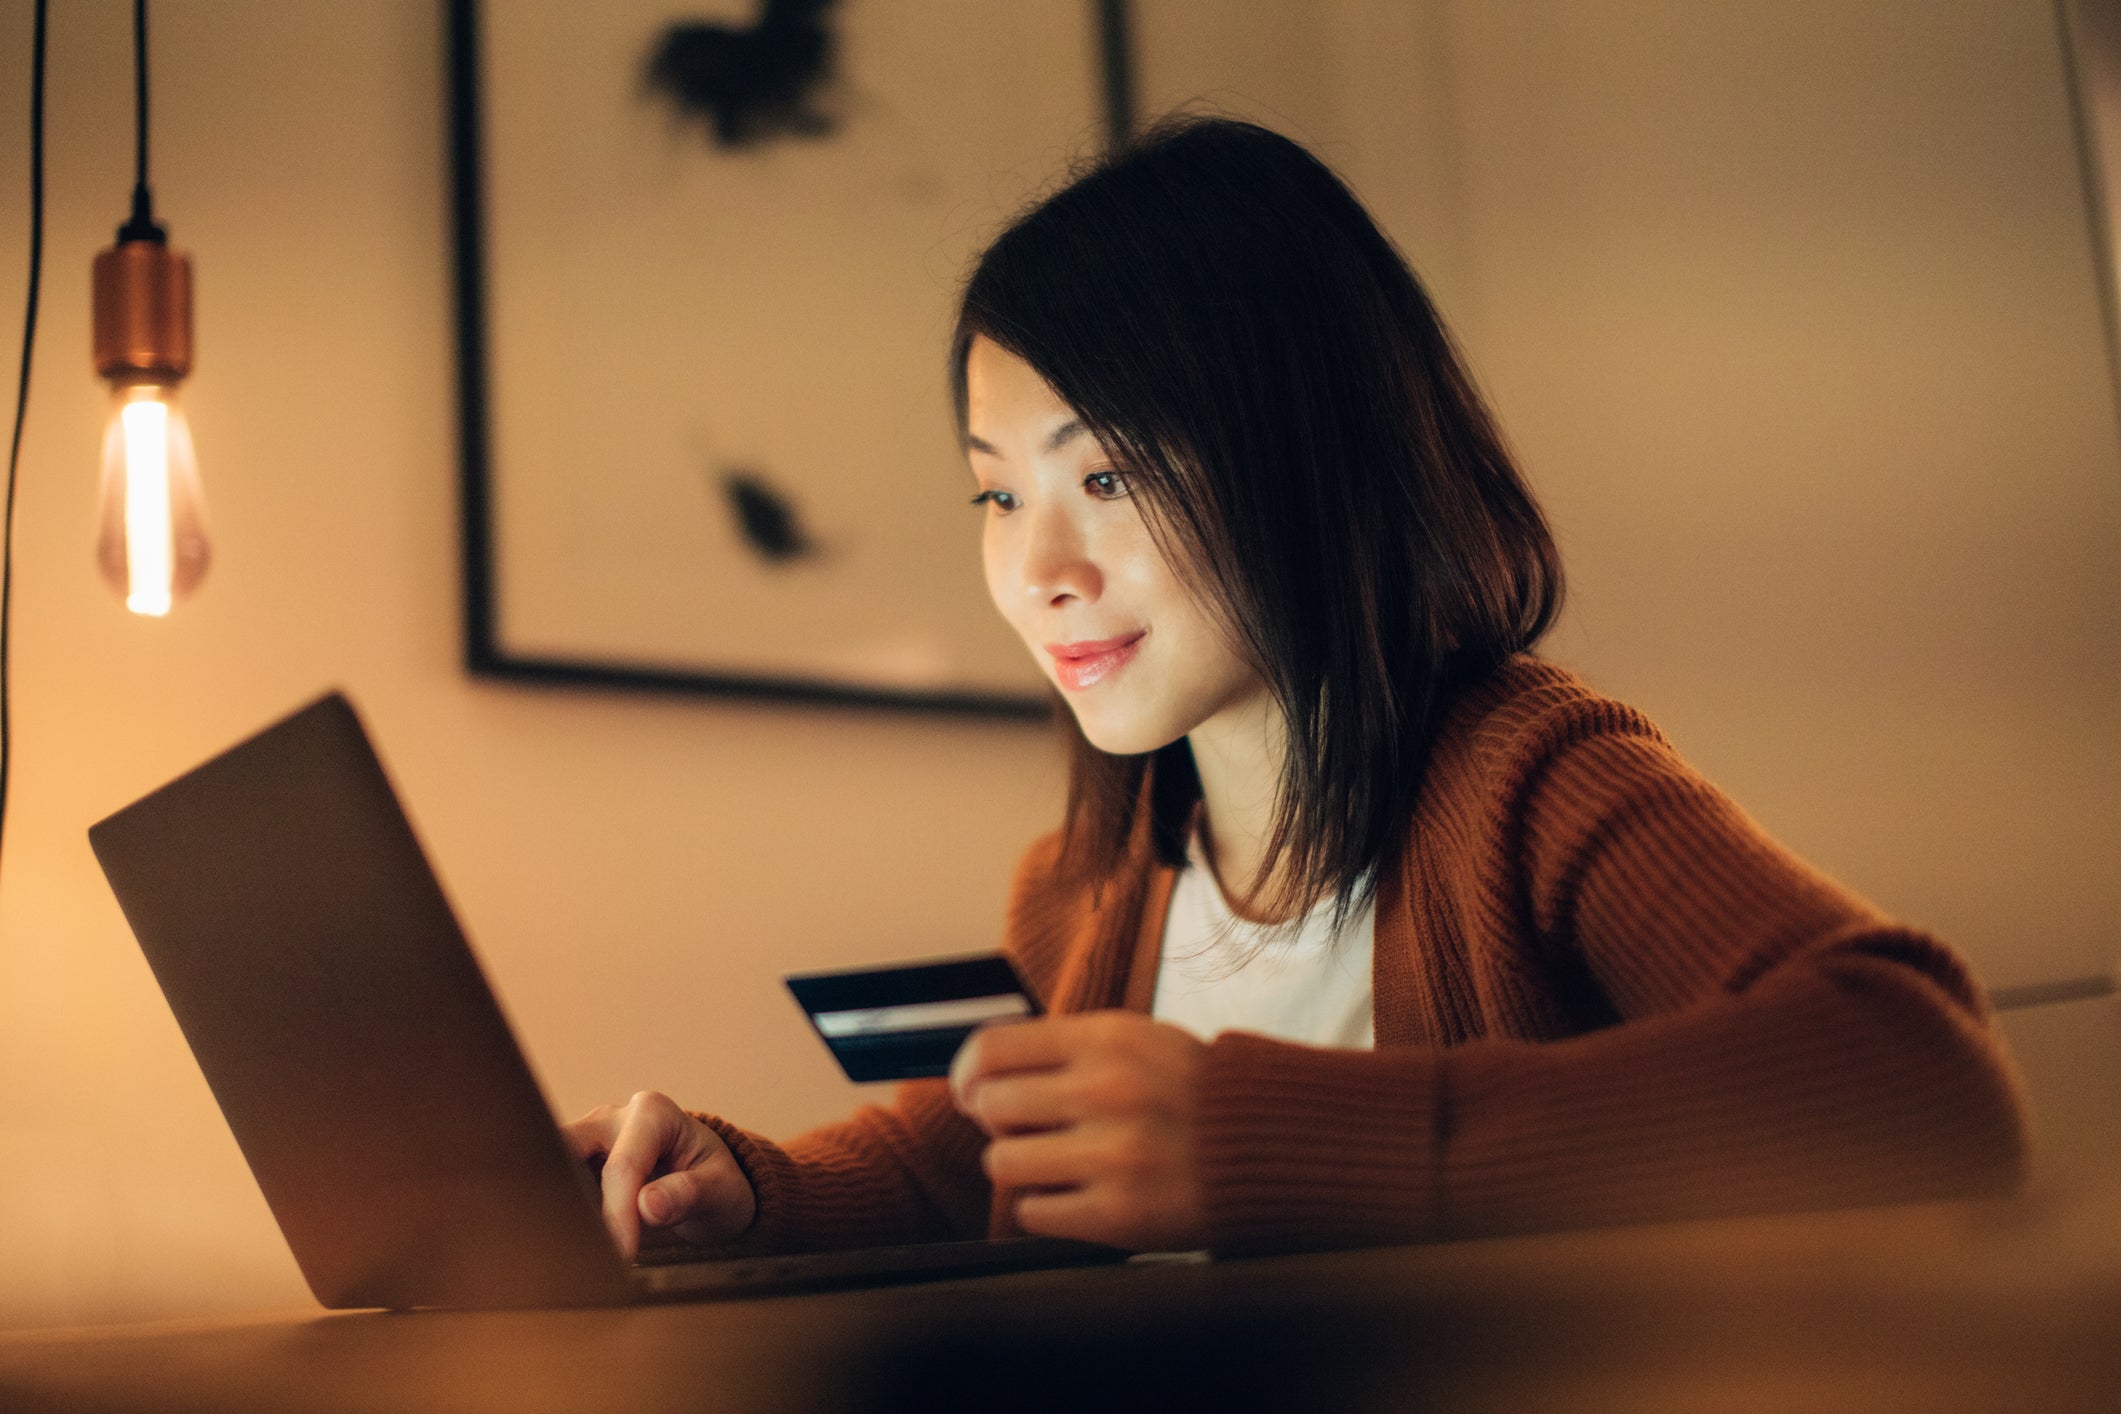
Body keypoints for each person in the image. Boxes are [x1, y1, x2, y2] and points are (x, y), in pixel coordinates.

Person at [563, 116, 2026, 1262]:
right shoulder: (1081, 889)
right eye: (994, 497)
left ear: (1305, 455)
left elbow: (1924, 1075)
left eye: (1109, 473)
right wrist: (738, 1190)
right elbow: (961, 1172)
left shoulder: (1531, 783)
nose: (1037, 567)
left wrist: (1282, 1138)